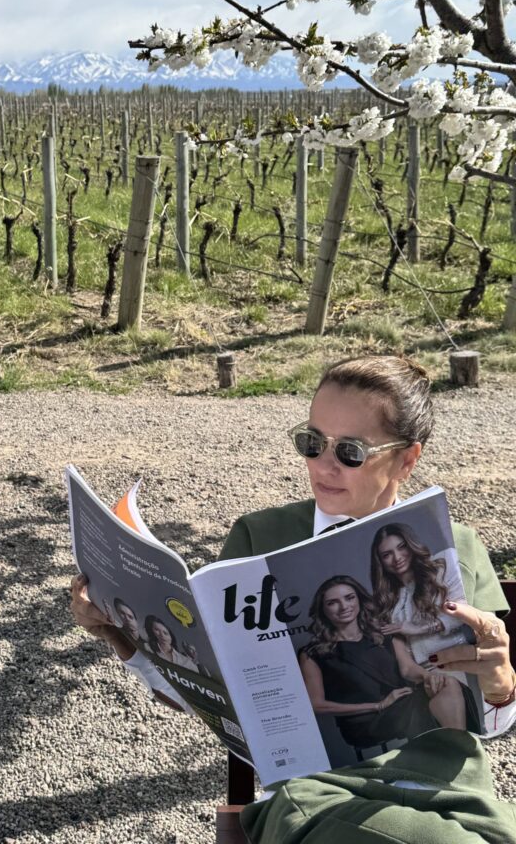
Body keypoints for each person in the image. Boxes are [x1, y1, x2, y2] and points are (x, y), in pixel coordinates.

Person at [70, 356, 515, 842]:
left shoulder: (454, 546)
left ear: (407, 459)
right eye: (311, 443)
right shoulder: (259, 538)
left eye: (350, 451)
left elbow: (489, 725)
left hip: (452, 792)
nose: (323, 466)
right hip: (318, 796)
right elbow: (215, 702)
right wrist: (124, 639)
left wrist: (500, 683)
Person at [299, 574, 466, 752]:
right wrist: (379, 705)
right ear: (322, 609)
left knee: (446, 683)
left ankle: (455, 749)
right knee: (422, 704)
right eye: (333, 602)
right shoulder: (313, 653)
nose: (344, 607)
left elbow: (408, 669)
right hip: (365, 721)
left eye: (349, 598)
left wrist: (428, 676)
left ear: (359, 599)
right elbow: (317, 705)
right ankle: (454, 754)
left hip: (403, 701)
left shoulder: (385, 633)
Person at [370, 522, 471, 665]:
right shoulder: (386, 600)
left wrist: (419, 628)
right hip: (423, 675)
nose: (397, 557)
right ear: (380, 562)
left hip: (461, 658)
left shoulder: (443, 565)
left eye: (402, 547)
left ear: (411, 545)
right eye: (387, 555)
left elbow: (467, 608)